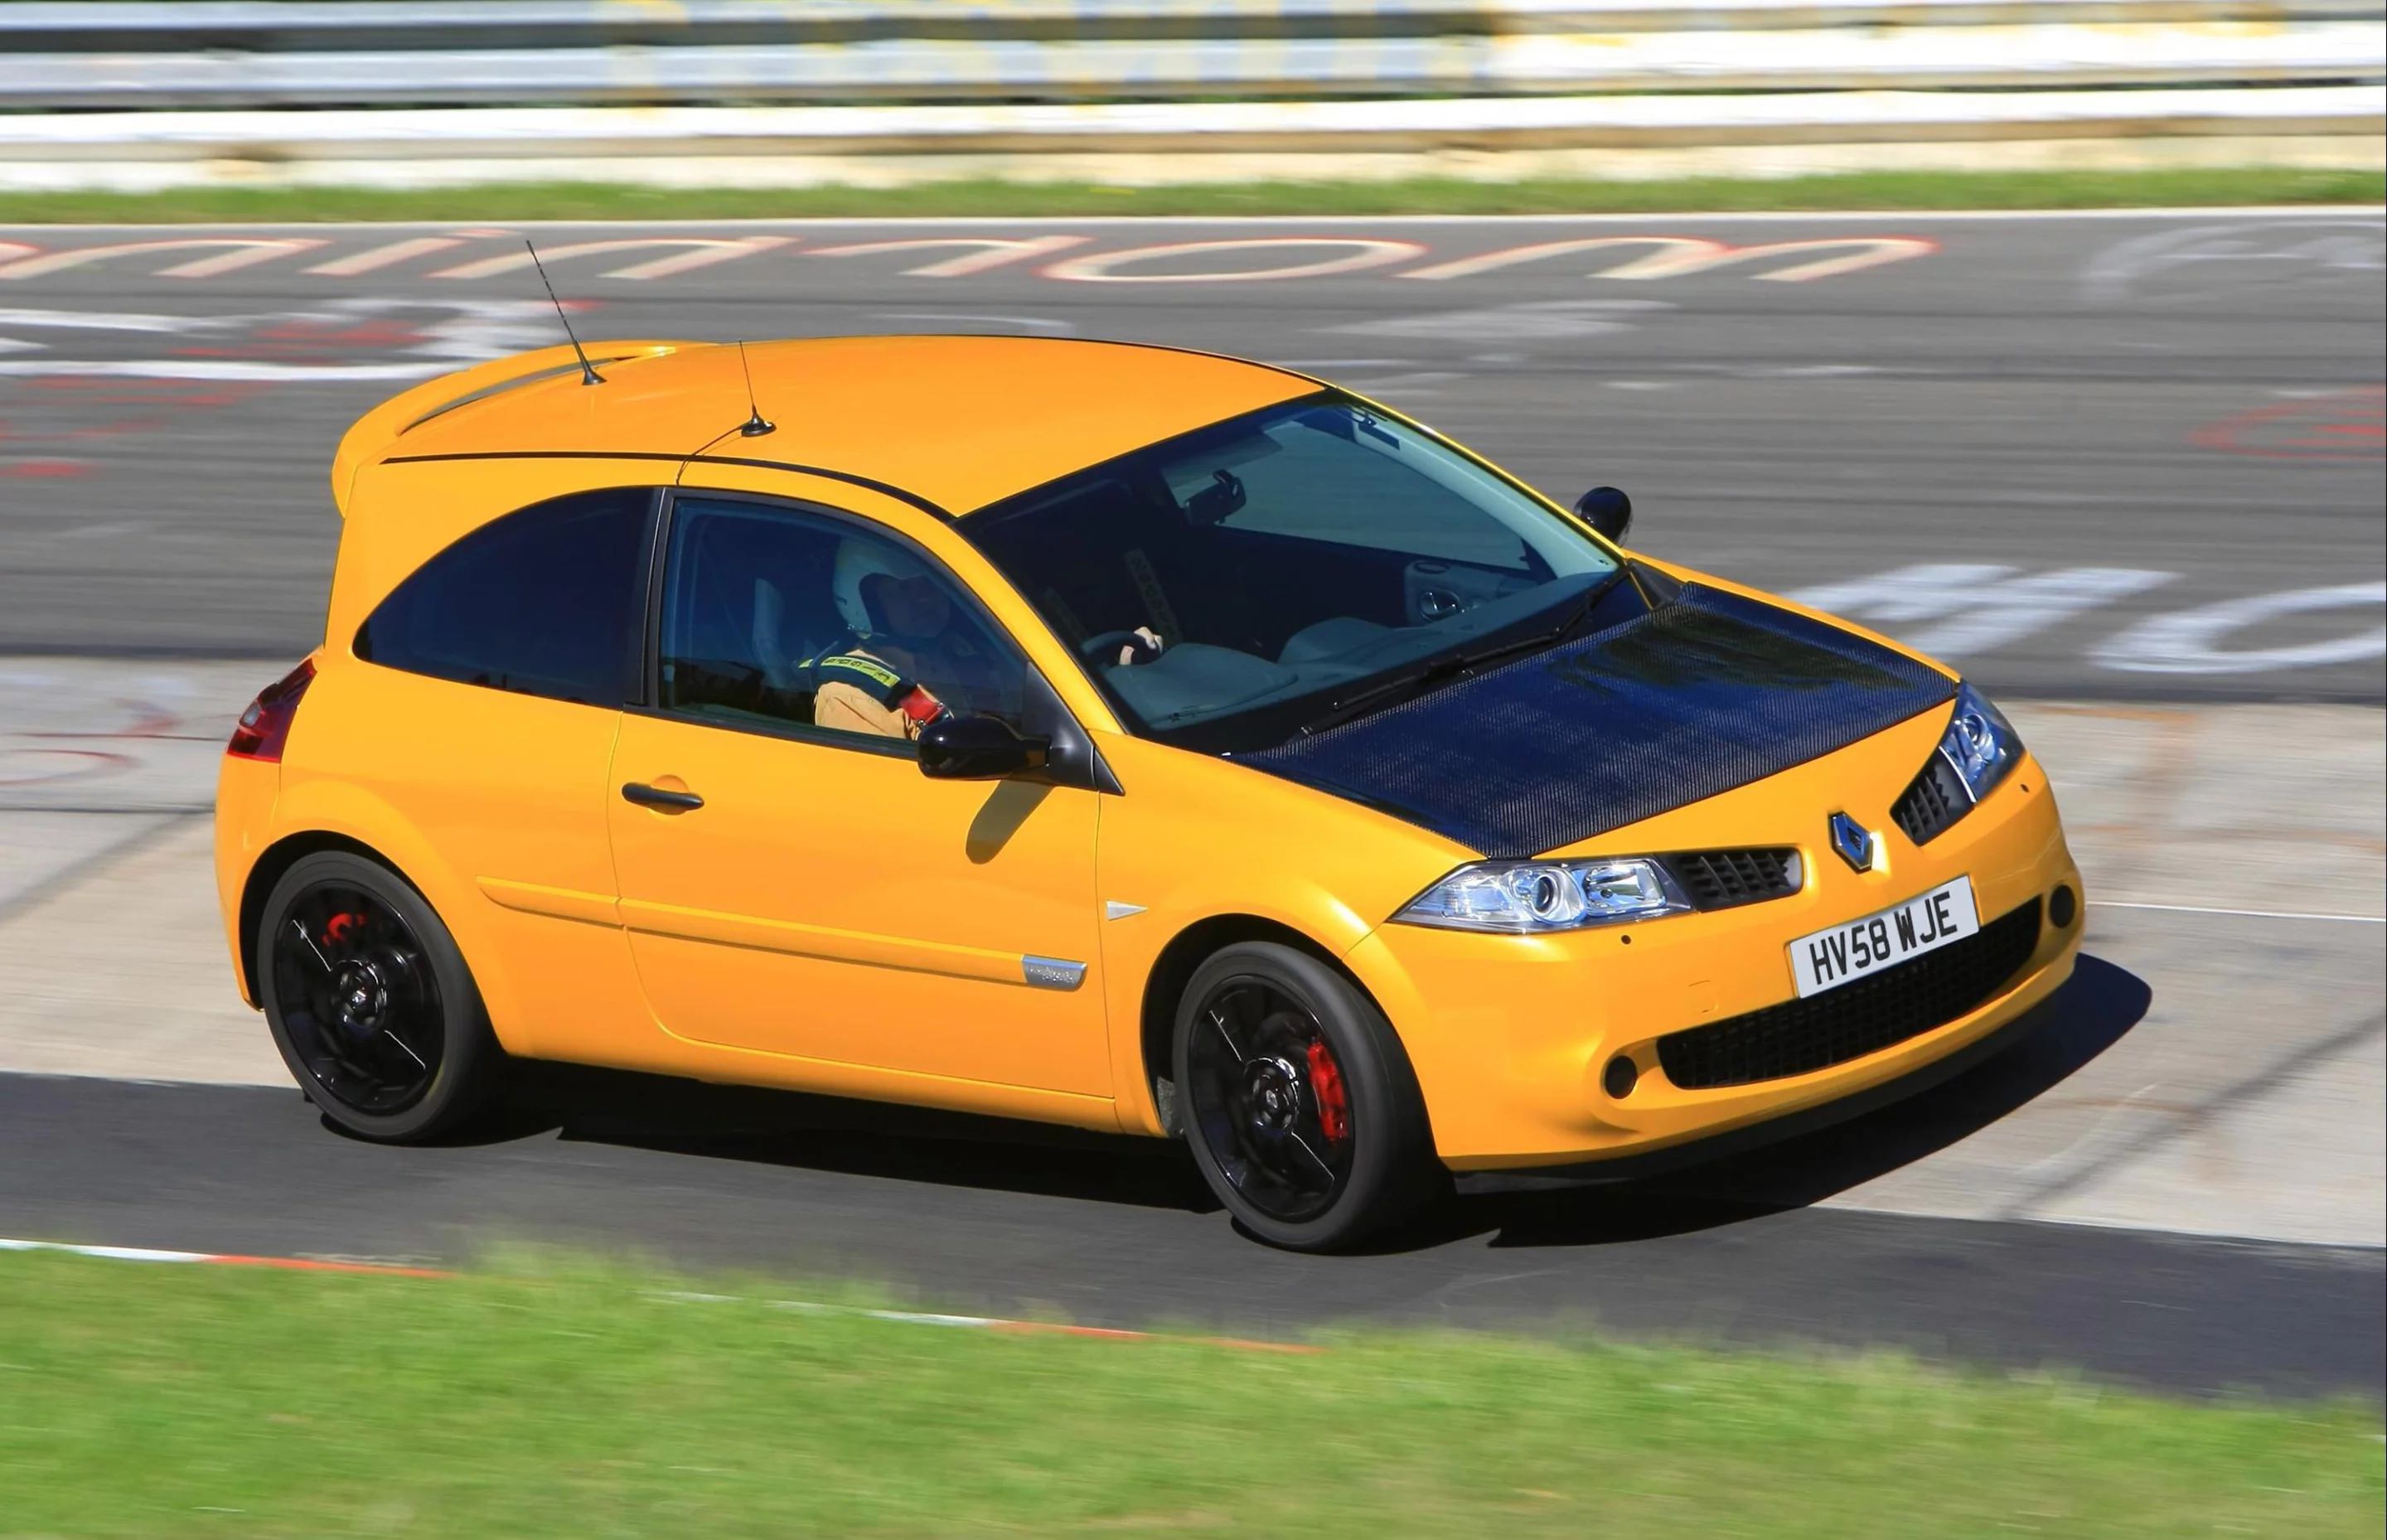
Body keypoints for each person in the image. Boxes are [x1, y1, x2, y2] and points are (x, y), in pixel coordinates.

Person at [811, 540, 1164, 740]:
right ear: (862, 602)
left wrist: (1114, 678)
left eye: (928, 586)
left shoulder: (973, 650)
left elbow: (1048, 717)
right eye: (902, 590)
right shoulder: (850, 698)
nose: (923, 600)